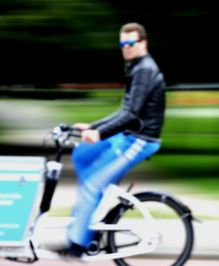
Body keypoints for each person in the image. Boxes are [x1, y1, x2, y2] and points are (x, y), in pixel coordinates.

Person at [58, 22, 166, 257]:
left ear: (143, 43)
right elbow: (122, 111)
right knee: (82, 154)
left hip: (140, 139)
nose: (125, 47)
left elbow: (131, 114)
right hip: (127, 134)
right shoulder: (135, 67)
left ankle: (77, 244)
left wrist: (99, 134)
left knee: (92, 185)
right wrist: (92, 127)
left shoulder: (144, 70)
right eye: (122, 43)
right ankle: (92, 217)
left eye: (130, 43)